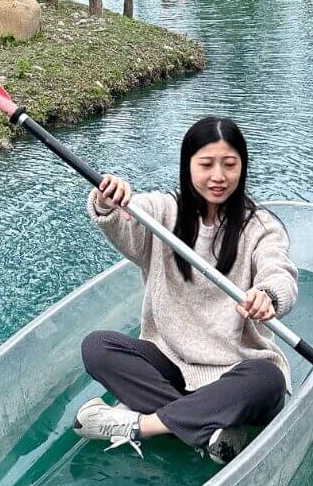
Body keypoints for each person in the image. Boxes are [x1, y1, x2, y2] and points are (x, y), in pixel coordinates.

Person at [73, 116, 299, 464]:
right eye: (206, 165)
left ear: (243, 167)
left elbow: (278, 270)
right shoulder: (162, 212)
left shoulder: (261, 226)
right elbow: (124, 217)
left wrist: (267, 295)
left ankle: (143, 425)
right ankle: (209, 426)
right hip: (171, 363)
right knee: (97, 347)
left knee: (268, 381)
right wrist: (108, 201)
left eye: (230, 165)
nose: (219, 177)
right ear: (187, 166)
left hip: (234, 368)